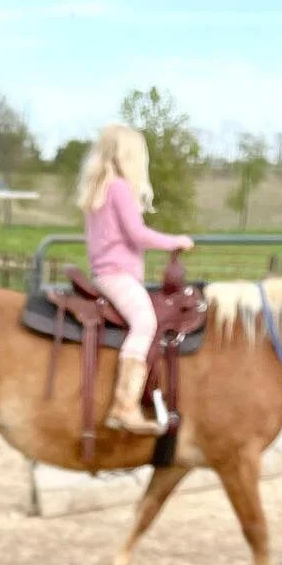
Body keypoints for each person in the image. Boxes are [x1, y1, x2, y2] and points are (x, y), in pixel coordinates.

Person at [78, 123, 195, 435]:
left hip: (104, 274)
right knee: (145, 322)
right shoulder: (119, 189)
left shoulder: (100, 189)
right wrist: (176, 241)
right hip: (119, 275)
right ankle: (124, 405)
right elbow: (137, 233)